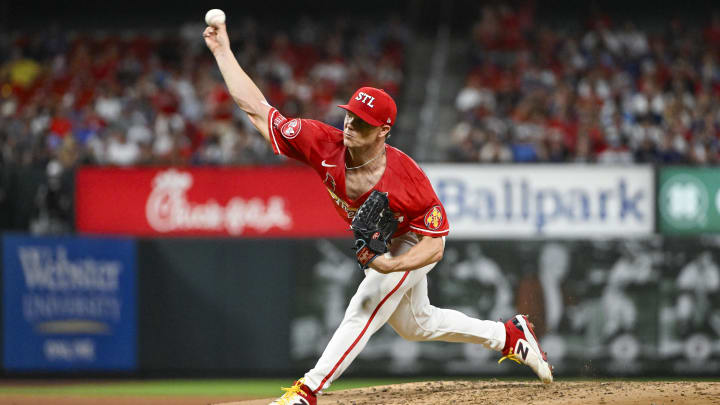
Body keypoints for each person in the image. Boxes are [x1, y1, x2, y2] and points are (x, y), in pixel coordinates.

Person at [203, 20, 553, 405]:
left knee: (368, 299)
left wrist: (389, 266)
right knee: (417, 325)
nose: (351, 124)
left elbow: (436, 247)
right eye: (350, 115)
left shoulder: (408, 180)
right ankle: (509, 335)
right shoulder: (322, 141)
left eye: (363, 122)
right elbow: (257, 110)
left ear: (384, 130)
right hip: (389, 242)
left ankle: (307, 392)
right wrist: (222, 51)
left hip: (413, 239)